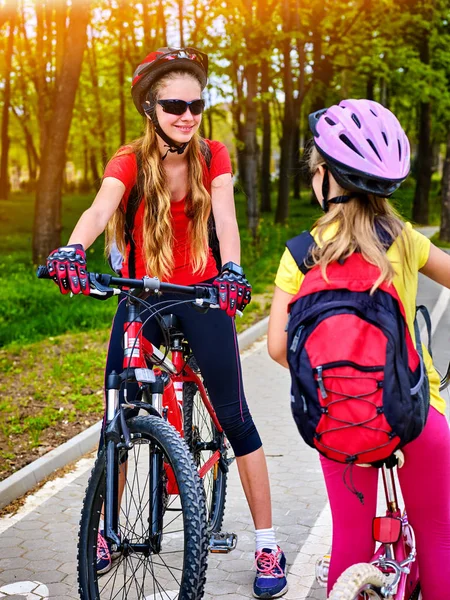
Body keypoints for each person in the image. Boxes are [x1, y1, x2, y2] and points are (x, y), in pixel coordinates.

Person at [46, 47, 287, 599]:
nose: (187, 114)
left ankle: (268, 543)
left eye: (197, 104)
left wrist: (231, 269)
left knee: (235, 416)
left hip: (202, 294)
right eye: (175, 104)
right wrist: (72, 249)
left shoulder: (213, 155)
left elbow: (225, 219)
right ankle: (107, 531)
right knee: (118, 406)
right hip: (143, 297)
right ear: (150, 108)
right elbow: (100, 209)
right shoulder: (129, 159)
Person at [267, 98, 450, 599]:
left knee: (349, 540)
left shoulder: (300, 253)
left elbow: (278, 349)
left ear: (324, 177)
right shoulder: (404, 238)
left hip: (340, 421)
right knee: (438, 538)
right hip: (416, 413)